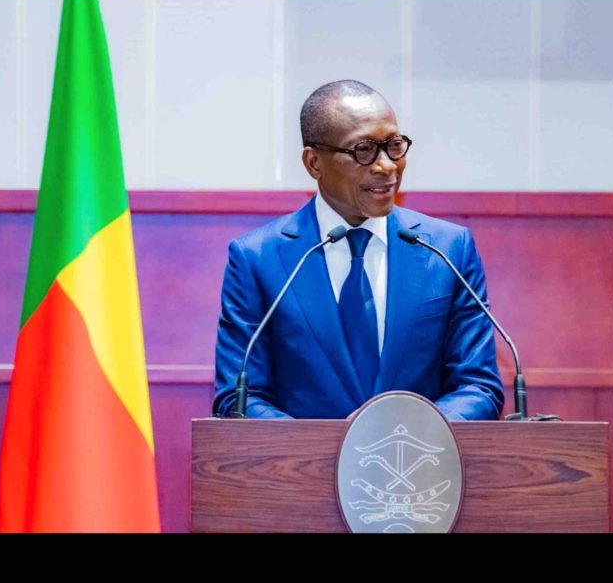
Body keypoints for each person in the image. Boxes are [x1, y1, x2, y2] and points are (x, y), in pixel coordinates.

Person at [212, 80, 503, 420]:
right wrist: (330, 445)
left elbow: (478, 387)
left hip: (419, 452)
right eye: (363, 150)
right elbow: (239, 398)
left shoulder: (448, 250)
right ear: (314, 163)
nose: (387, 166)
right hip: (303, 456)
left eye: (394, 146)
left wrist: (406, 437)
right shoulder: (258, 259)